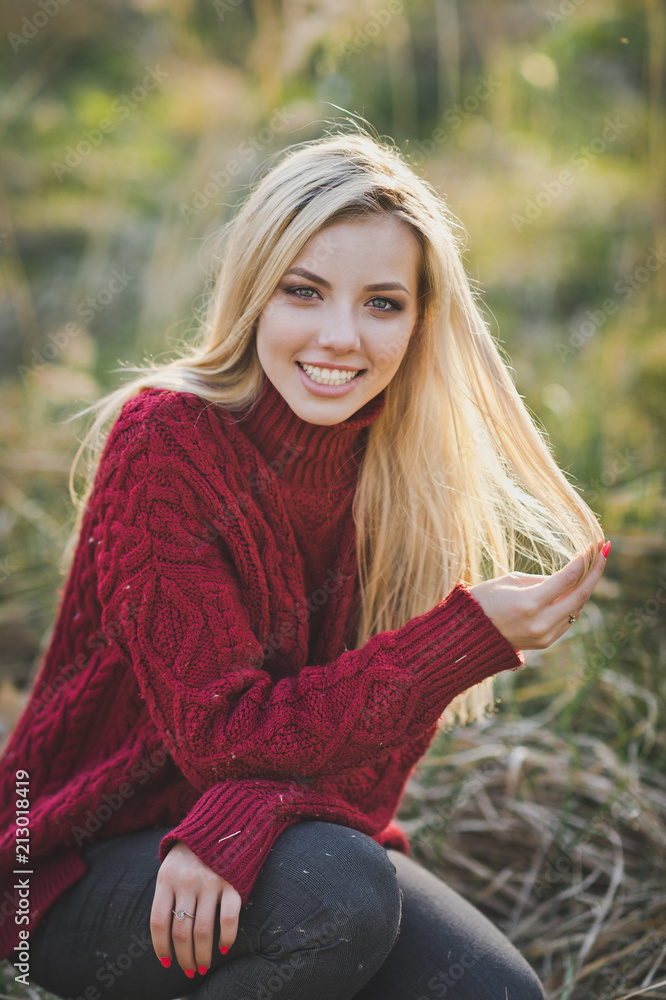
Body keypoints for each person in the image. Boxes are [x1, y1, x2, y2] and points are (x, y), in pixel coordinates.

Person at [0, 125, 610, 1000]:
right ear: (255, 293)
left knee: (494, 993)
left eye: (383, 303)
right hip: (75, 863)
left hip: (287, 840)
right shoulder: (164, 443)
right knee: (339, 898)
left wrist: (247, 817)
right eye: (304, 291)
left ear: (421, 321)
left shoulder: (409, 478)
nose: (340, 337)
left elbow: (373, 769)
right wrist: (459, 642)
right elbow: (222, 735)